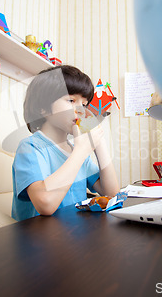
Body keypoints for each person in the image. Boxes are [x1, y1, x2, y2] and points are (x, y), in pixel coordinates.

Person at [12, 65, 120, 220]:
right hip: (37, 238)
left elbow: (111, 193)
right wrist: (82, 150)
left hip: (73, 234)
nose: (81, 110)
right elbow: (45, 205)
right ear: (44, 108)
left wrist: (98, 141)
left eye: (84, 104)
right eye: (71, 100)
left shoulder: (75, 150)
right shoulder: (30, 147)